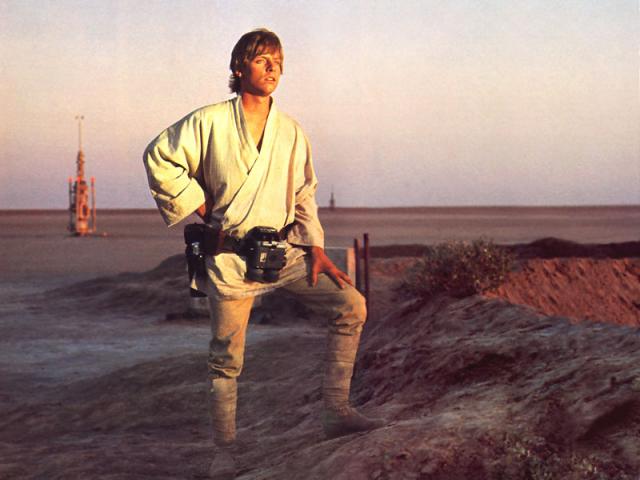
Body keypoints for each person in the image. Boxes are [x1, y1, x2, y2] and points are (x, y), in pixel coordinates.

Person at [143, 29, 384, 479]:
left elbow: (304, 192)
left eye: (278, 61)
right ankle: (224, 451)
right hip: (230, 257)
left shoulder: (291, 131)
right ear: (239, 68)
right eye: (261, 60)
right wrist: (199, 203)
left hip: (283, 252)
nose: (273, 68)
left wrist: (315, 247)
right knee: (225, 358)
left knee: (351, 305)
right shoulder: (210, 121)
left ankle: (336, 412)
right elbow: (159, 156)